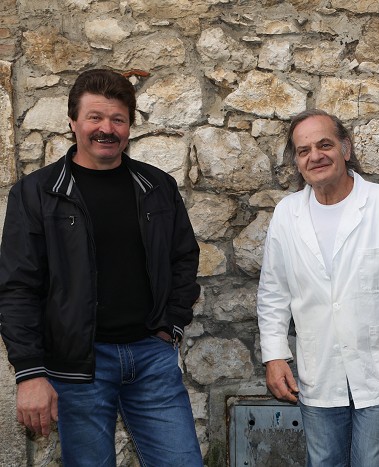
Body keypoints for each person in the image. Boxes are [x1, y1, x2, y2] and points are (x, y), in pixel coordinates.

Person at [0, 69, 202, 466]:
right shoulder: (36, 193)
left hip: (152, 357)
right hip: (78, 368)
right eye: (95, 117)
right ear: (73, 122)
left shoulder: (157, 186)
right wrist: (30, 372)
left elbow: (183, 258)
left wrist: (171, 325)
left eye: (117, 119)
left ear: (129, 126)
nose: (106, 129)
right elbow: (17, 287)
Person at [257, 109, 379, 466]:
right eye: (304, 150)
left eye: (324, 145)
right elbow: (273, 294)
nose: (315, 156)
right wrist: (275, 356)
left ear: (346, 148)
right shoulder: (287, 215)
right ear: (297, 161)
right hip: (319, 373)